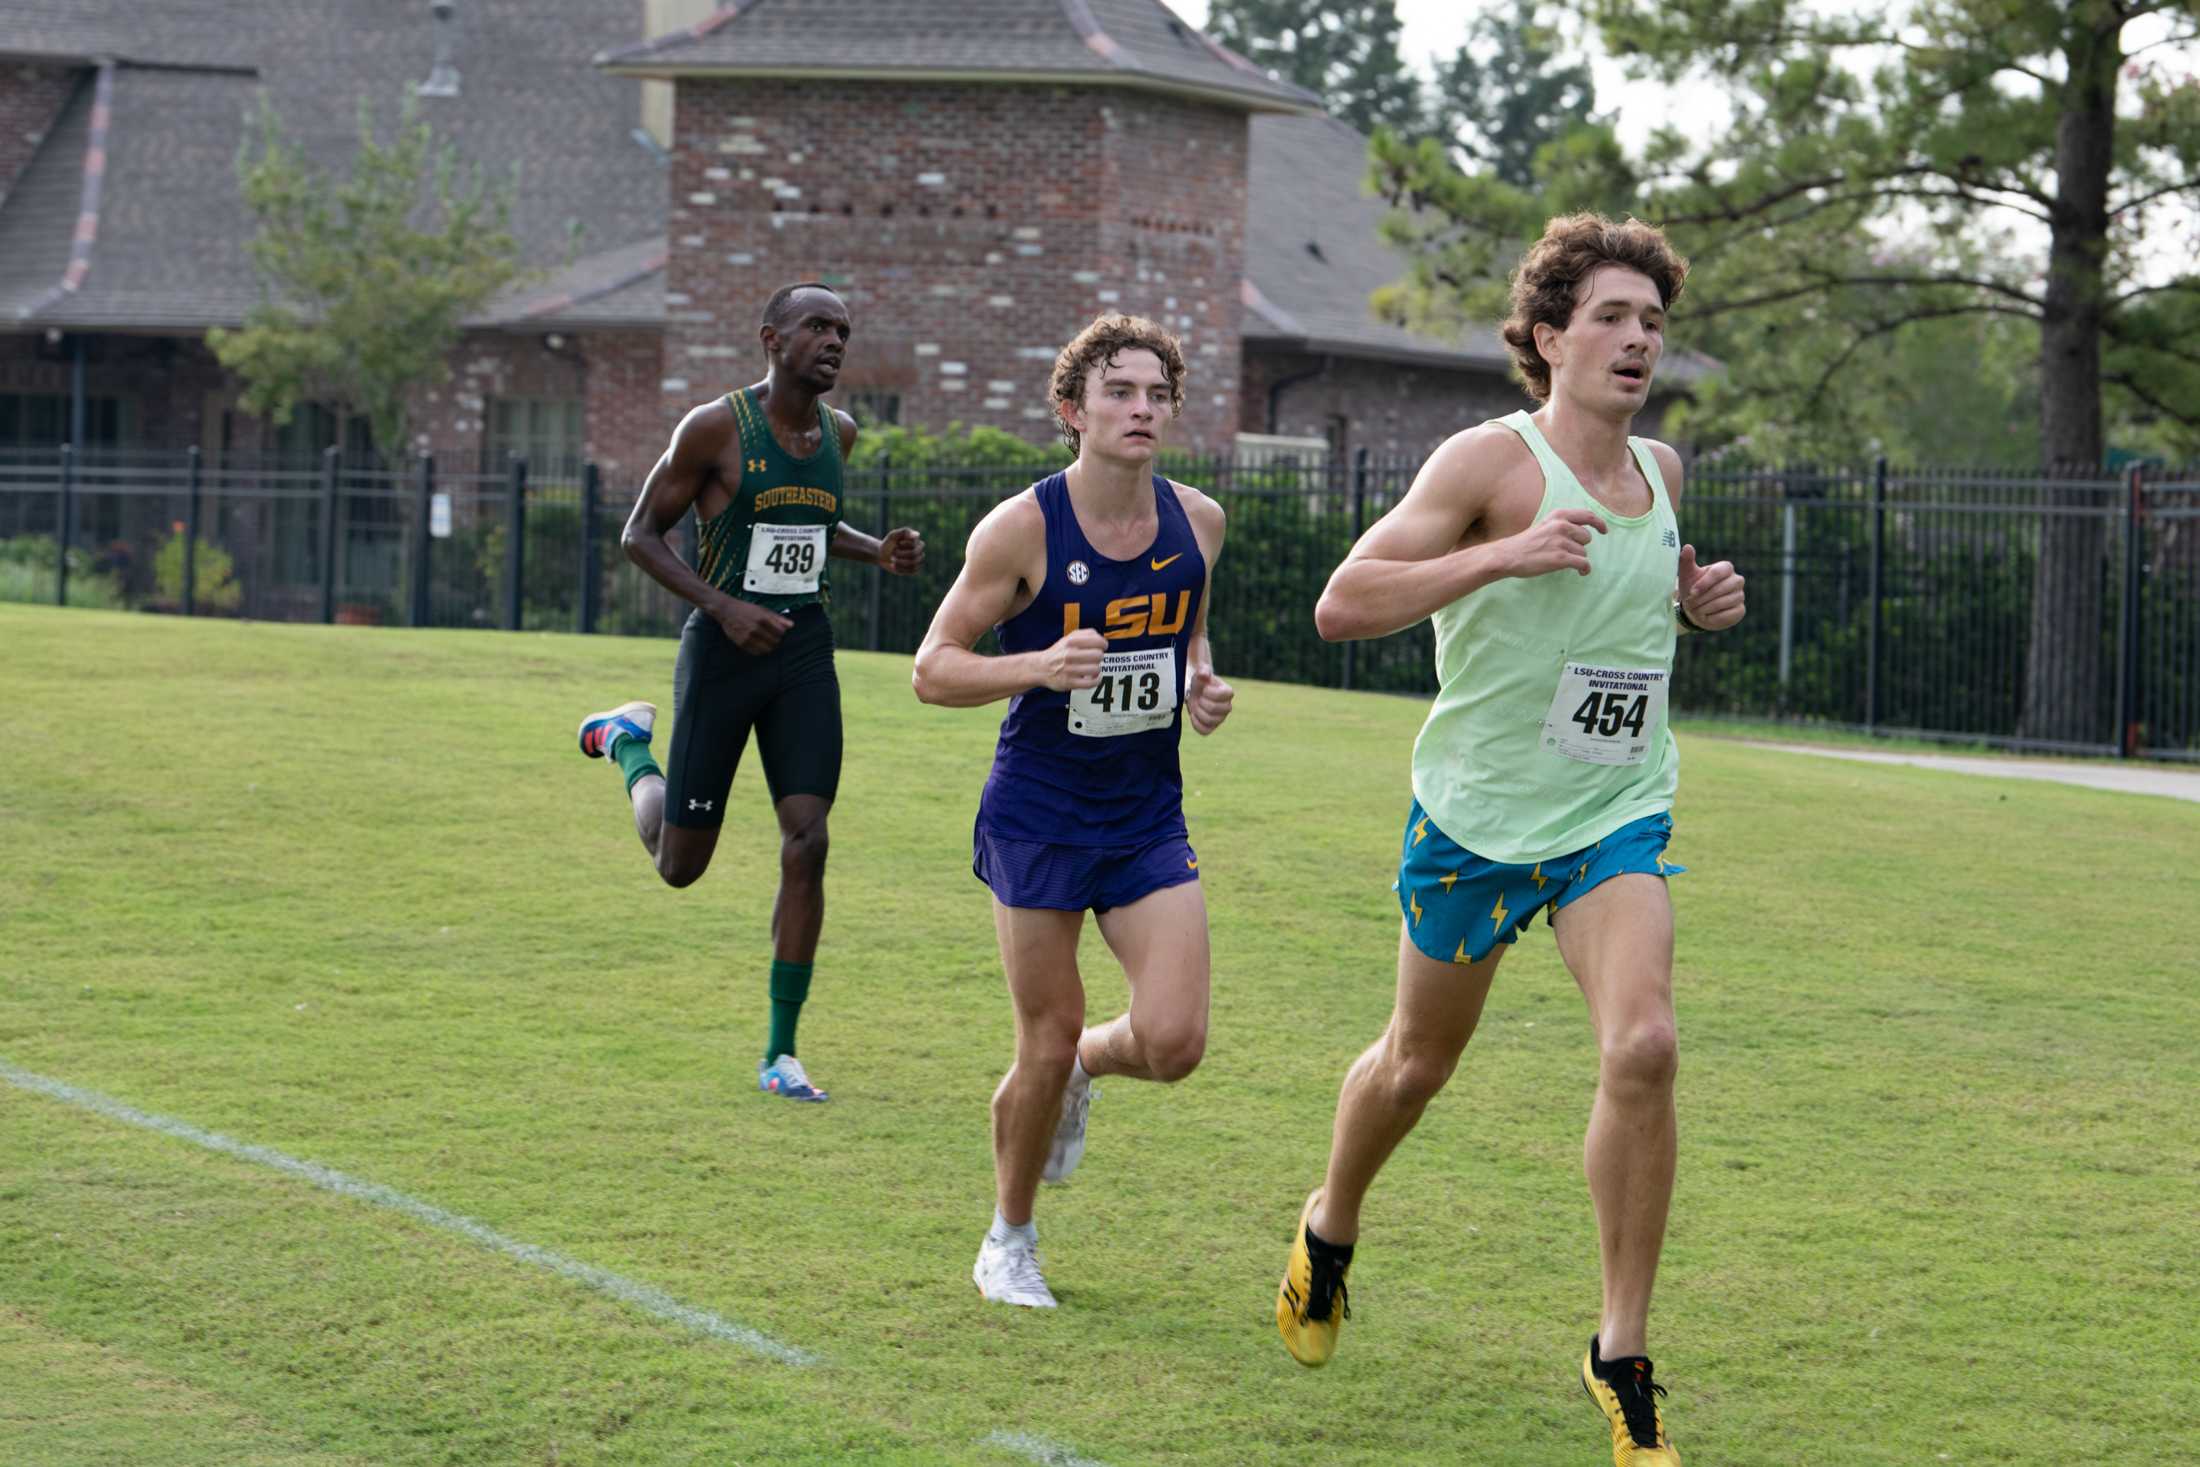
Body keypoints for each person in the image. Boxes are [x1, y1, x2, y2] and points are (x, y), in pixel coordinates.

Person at [1272, 214, 1744, 1467]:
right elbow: (1340, 605)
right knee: (1415, 1067)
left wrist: (1692, 609)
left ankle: (1621, 1352)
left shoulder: (1664, 476)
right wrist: (1500, 557)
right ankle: (1328, 1227)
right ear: (1548, 337)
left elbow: (1618, 623)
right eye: (1610, 317)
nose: (1638, 340)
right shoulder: (1489, 460)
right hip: (1475, 819)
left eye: (1652, 321)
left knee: (1644, 1044)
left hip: (1613, 813)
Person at [912, 313, 1235, 1308]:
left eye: (1155, 394)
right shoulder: (1020, 529)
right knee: (1041, 1036)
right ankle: (1008, 1238)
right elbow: (932, 669)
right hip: (1039, 816)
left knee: (1174, 1041)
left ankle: (1087, 1069)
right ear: (1073, 411)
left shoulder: (1199, 522)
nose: (1140, 409)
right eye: (1118, 393)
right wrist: (1037, 666)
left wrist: (1199, 683)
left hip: (1144, 815)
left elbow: (1185, 634)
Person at [576, 282, 924, 1104]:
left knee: (808, 841)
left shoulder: (838, 431)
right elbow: (639, 535)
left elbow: (808, 527)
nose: (835, 341)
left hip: (802, 654)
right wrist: (722, 606)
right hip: (725, 654)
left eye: (843, 330)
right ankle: (627, 742)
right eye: (817, 327)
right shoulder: (713, 428)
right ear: (772, 338)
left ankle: (781, 1051)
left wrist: (878, 551)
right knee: (679, 866)